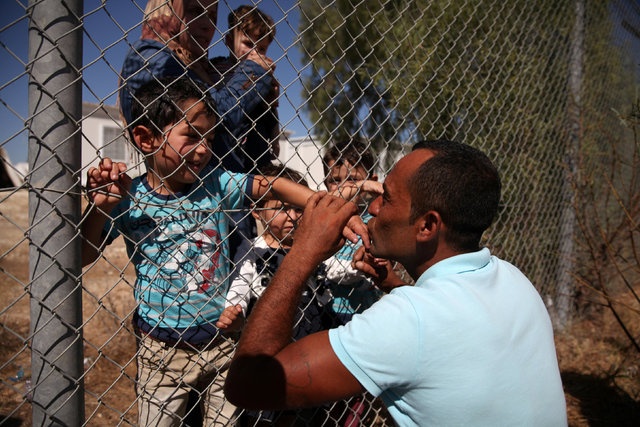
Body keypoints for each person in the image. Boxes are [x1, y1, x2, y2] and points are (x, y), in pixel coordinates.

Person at [224, 140, 568, 427]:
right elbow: (442, 328)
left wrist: (302, 253)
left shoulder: (405, 320)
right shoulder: (512, 278)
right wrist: (391, 281)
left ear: (427, 226)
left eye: (386, 197)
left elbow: (247, 385)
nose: (372, 207)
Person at [80, 77, 329, 426]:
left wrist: (323, 206)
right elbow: (83, 254)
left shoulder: (217, 183)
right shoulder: (127, 199)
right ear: (146, 138)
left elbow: (270, 185)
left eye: (209, 139)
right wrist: (101, 208)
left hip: (222, 342)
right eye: (192, 135)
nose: (203, 149)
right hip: (161, 351)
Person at [222, 164, 331, 426]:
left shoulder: (309, 250)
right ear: (257, 211)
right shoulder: (252, 252)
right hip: (271, 357)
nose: (292, 216)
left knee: (309, 414)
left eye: (298, 209)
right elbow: (240, 286)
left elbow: (333, 271)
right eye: (281, 208)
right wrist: (234, 310)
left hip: (311, 350)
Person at [119, 0, 276, 174]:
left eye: (212, 16)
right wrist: (255, 72)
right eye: (195, 11)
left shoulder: (198, 67)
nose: (207, 25)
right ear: (169, 12)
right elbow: (216, 113)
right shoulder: (152, 57)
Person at [211, 5, 280, 174]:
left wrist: (275, 138)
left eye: (262, 48)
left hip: (255, 148)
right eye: (248, 44)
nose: (254, 53)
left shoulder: (264, 76)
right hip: (225, 148)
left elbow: (271, 111)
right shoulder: (215, 68)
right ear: (229, 41)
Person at [320, 138, 381, 327]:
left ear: (371, 183)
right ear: (326, 184)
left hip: (366, 314)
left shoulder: (375, 222)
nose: (344, 188)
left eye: (353, 180)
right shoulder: (321, 221)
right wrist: (359, 266)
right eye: (335, 181)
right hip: (324, 312)